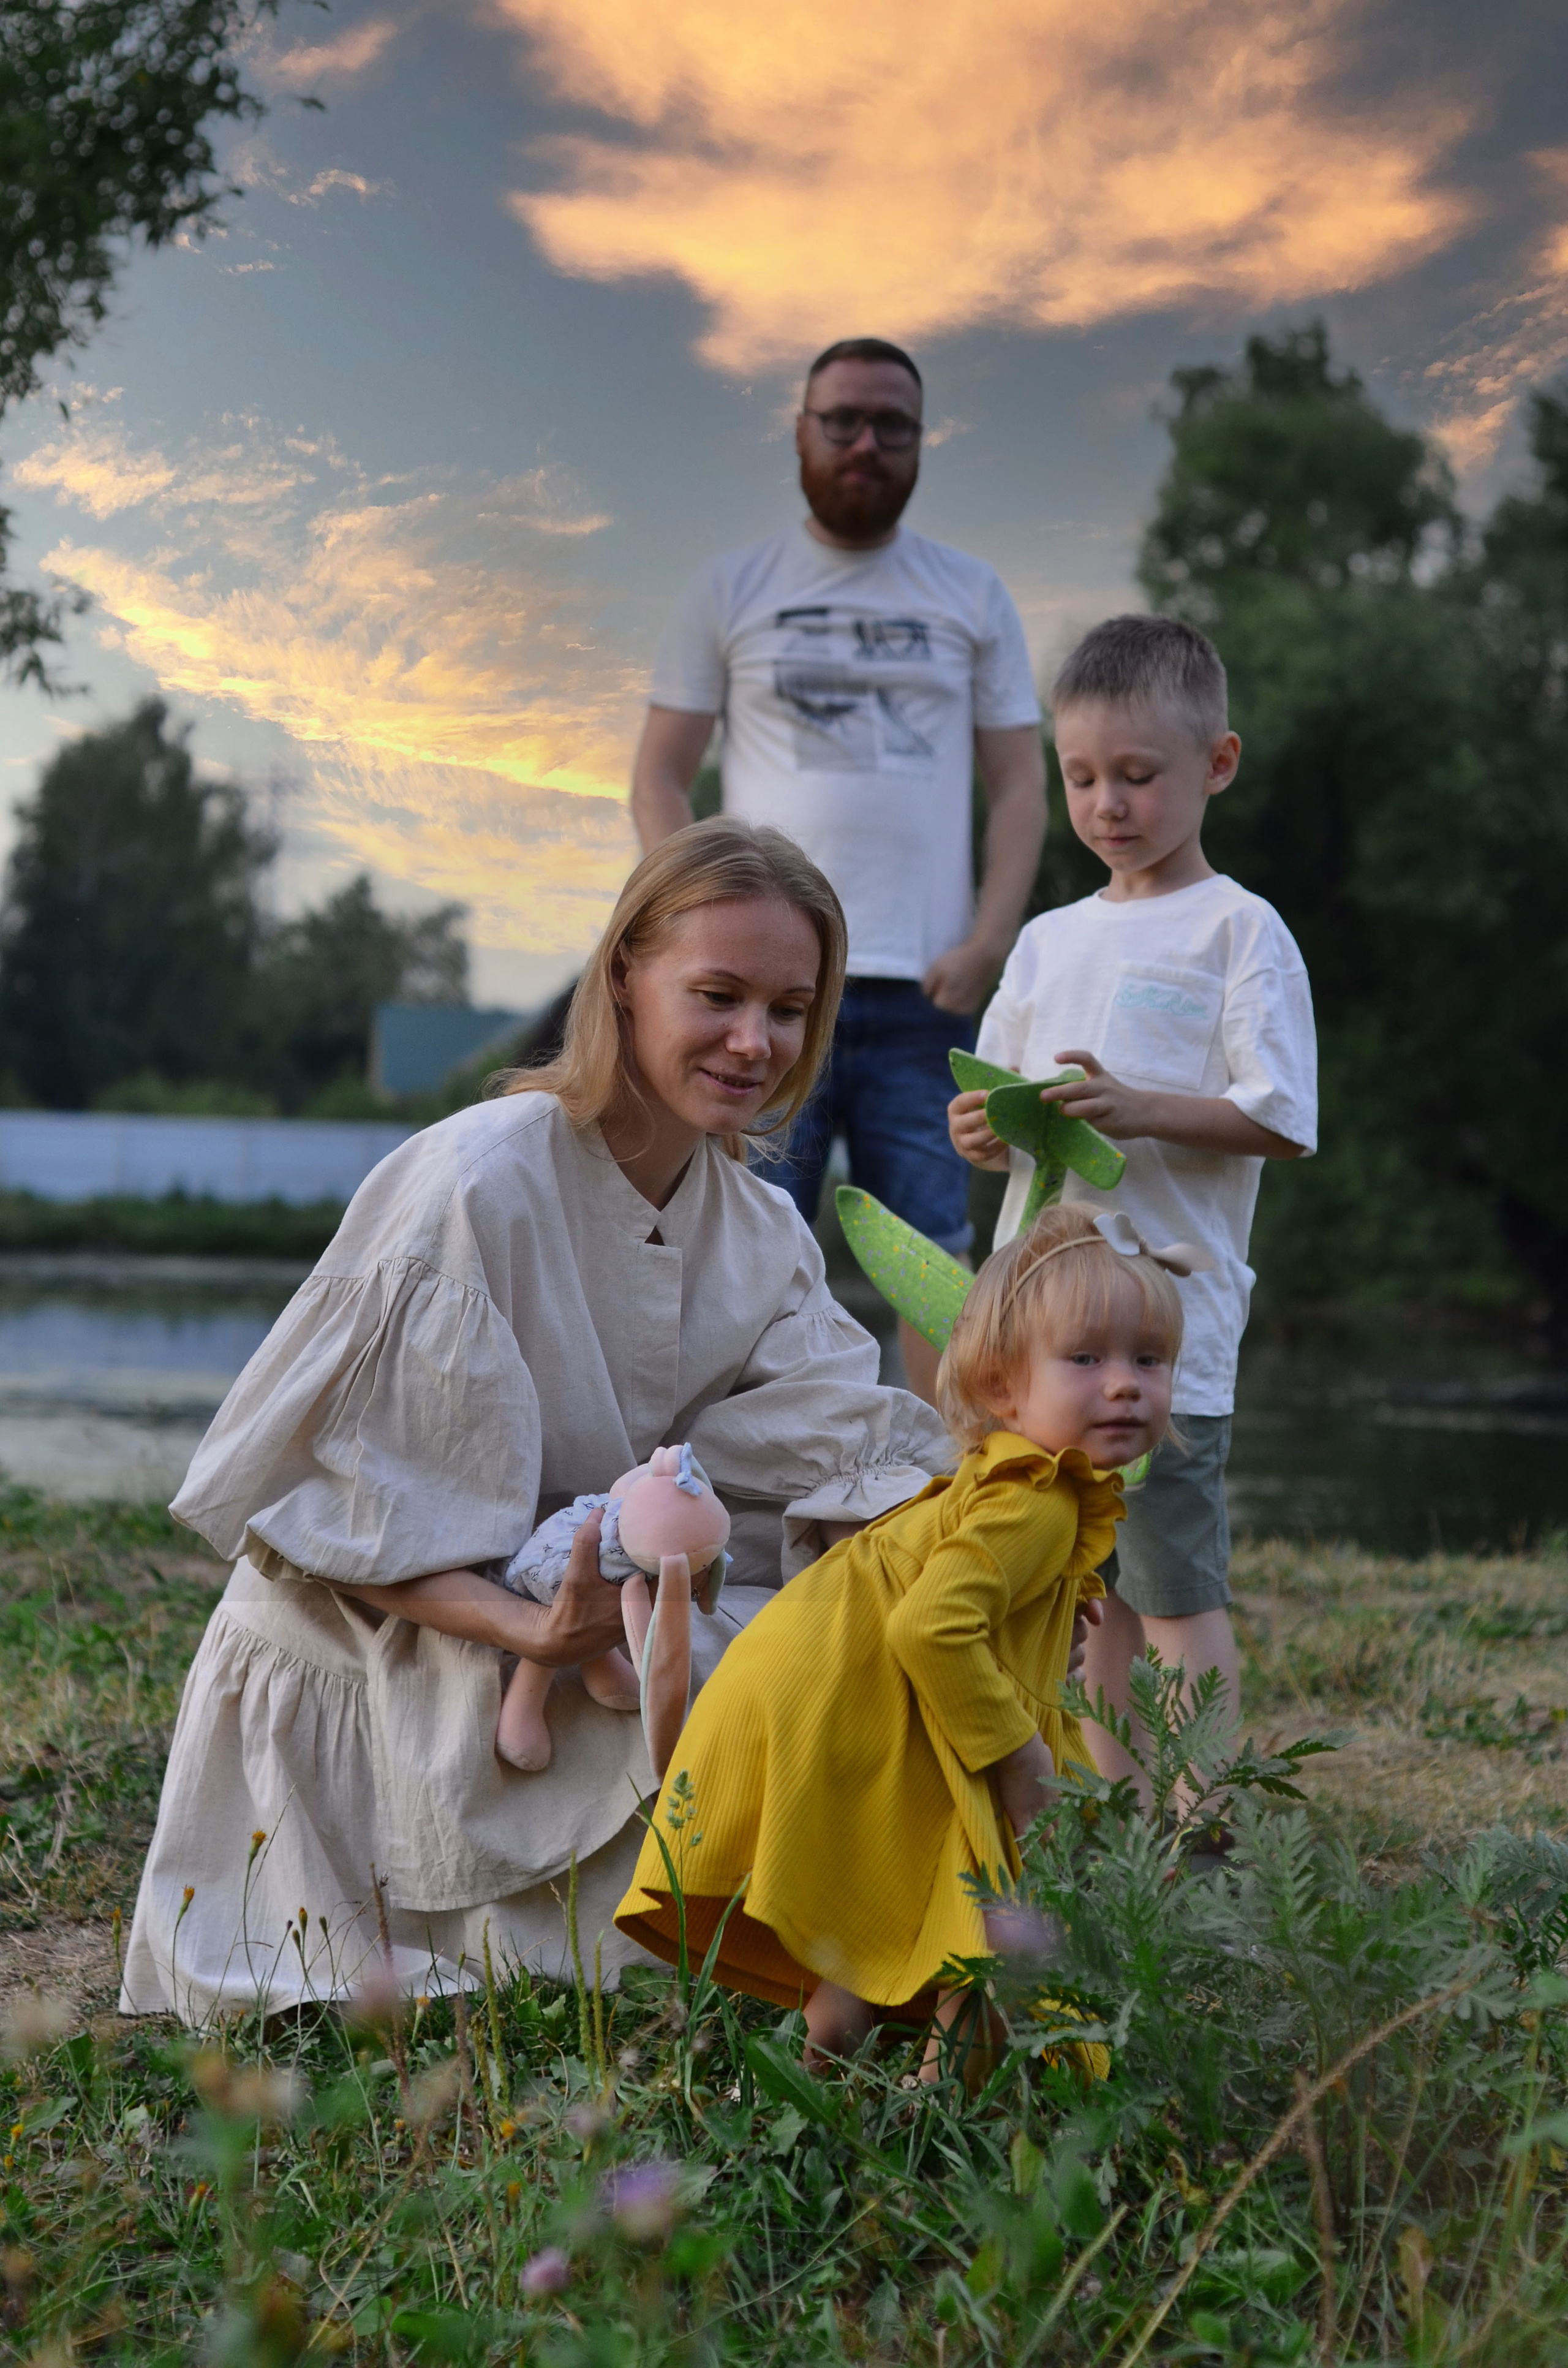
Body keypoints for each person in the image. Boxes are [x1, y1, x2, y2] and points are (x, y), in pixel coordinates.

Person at [119, 819, 954, 2025]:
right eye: (715, 995)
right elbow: (337, 1527)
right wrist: (534, 1624)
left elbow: (835, 1460)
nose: (752, 1042)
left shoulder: (763, 1228)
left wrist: (984, 1515)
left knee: (842, 1663)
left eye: (787, 1007)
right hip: (405, 1647)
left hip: (600, 1634)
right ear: (620, 975)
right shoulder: (477, 1180)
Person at [616, 1202, 1182, 2071]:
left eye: (1150, 1359)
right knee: (994, 1907)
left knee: (898, 1887)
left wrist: (1041, 1615)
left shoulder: (1005, 1475)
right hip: (861, 1685)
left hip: (822, 1673)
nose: (1124, 1384)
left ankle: (827, 2066)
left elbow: (952, 1590)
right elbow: (933, 1624)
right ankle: (951, 2097)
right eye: (1087, 1358)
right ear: (1003, 1387)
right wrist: (1020, 1759)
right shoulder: (1037, 1498)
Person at [630, 336, 1048, 1404]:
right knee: (730, 1263)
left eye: (891, 425)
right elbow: (661, 778)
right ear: (802, 433)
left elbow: (1019, 786)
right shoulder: (731, 588)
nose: (866, 442)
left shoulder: (972, 592)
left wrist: (989, 941)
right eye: (843, 420)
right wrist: (696, 937)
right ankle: (694, 1521)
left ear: (920, 442)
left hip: (926, 996)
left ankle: (960, 1521)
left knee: (939, 1275)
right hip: (760, 1009)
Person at [948, 615, 1317, 1794]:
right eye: (1083, 777)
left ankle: (1211, 1818)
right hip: (1044, 1334)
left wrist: (1144, 1107)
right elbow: (1006, 1105)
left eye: (1139, 776)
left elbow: (1281, 1118)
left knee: (1170, 1583)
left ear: (1217, 764)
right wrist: (979, 1131)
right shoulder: (1050, 941)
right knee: (1081, 1586)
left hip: (1166, 1340)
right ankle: (1114, 1808)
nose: (1109, 804)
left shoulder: (1240, 930)